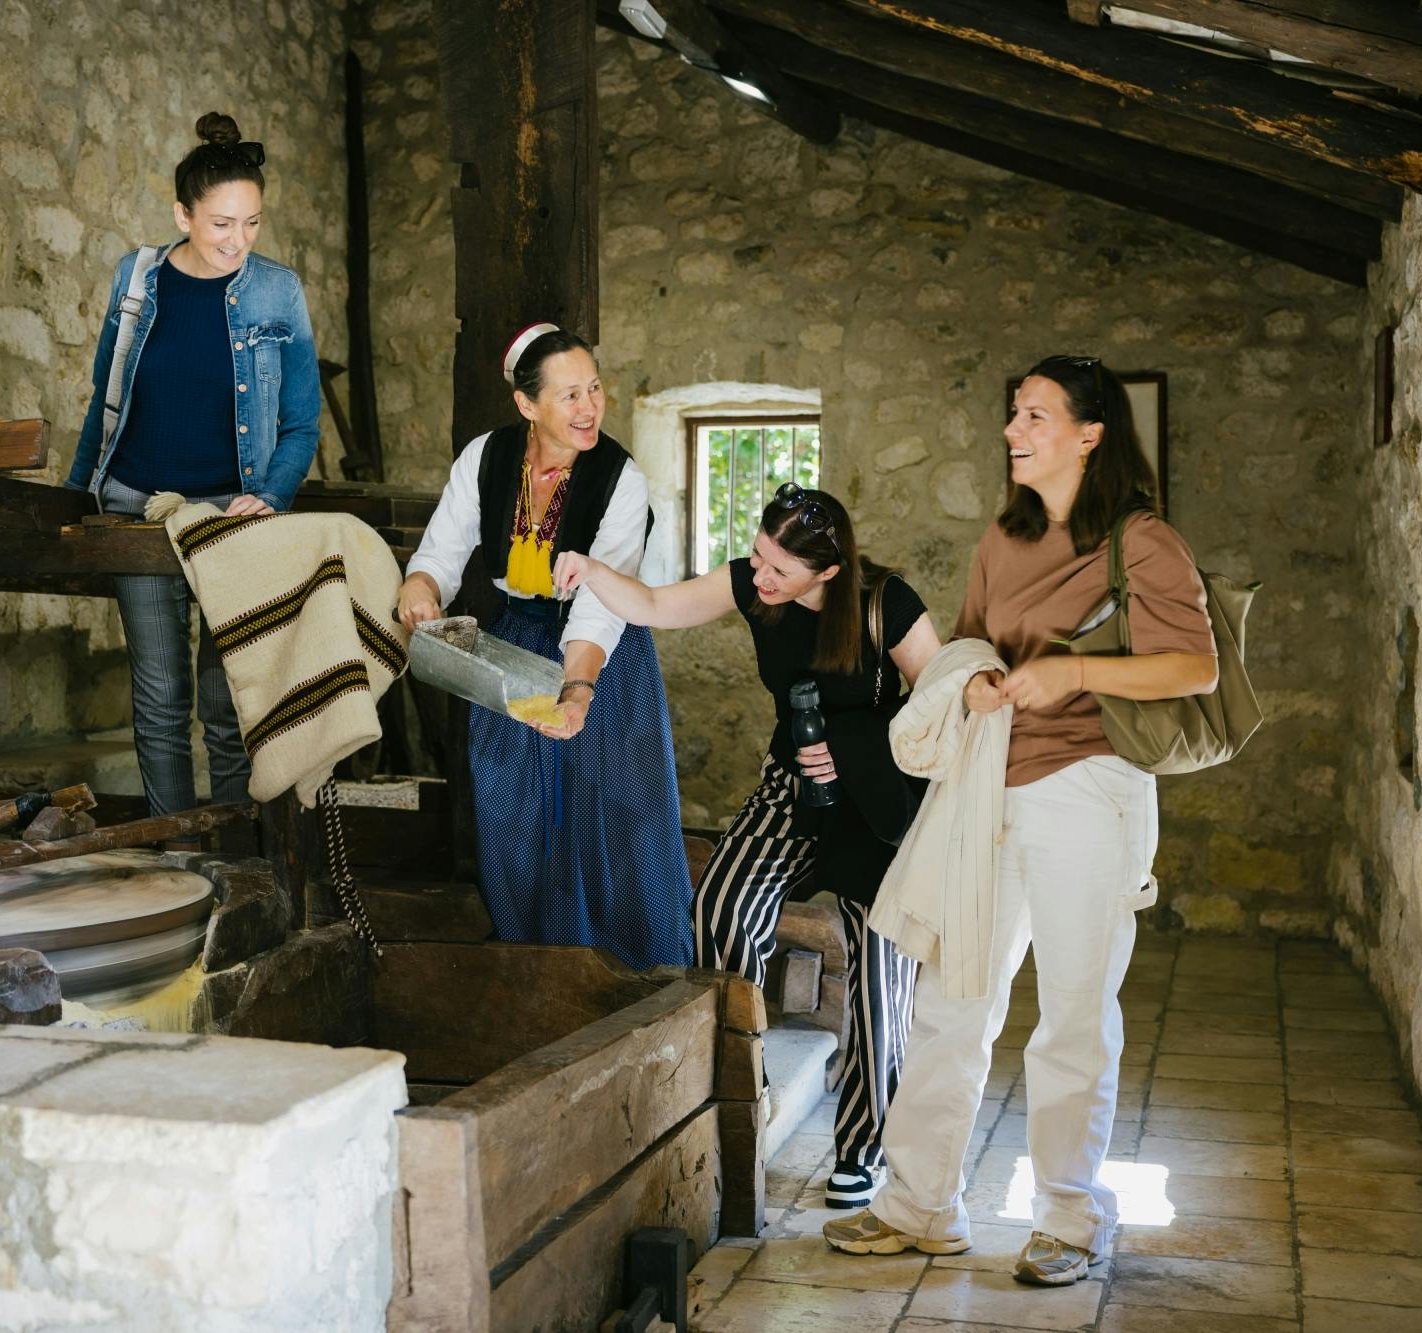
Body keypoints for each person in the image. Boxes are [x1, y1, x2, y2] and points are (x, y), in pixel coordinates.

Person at [825, 355, 1218, 1287]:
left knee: (1074, 1017)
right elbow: (969, 645)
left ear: (1091, 434)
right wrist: (979, 679)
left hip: (1094, 790)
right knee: (951, 1001)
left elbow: (1193, 666)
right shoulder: (1000, 540)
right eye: (1013, 414)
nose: (1013, 430)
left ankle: (1067, 1221)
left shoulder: (1142, 541)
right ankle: (919, 1204)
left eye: (1035, 416)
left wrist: (1076, 672)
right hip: (991, 792)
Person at [556, 485, 941, 1208]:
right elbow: (659, 606)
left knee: (879, 971)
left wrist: (859, 752)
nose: (760, 578)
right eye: (758, 557)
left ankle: (864, 1146)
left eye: (779, 571)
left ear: (827, 572)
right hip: (788, 788)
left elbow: (942, 698)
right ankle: (742, 1091)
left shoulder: (887, 604)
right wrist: (591, 570)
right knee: (723, 908)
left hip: (877, 805)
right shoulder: (752, 585)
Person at [397, 324, 692, 970]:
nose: (589, 407)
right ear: (527, 405)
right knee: (512, 808)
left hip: (604, 660)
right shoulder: (488, 458)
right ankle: (535, 968)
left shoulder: (621, 479)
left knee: (615, 818)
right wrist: (420, 589)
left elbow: (601, 605)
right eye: (569, 396)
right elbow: (443, 549)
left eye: (594, 389)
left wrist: (579, 688)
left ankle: (642, 978)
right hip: (514, 647)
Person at [65, 111, 322, 822]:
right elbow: (106, 399)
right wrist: (74, 494)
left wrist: (271, 495)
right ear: (183, 213)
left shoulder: (279, 292)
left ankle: (234, 854)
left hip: (235, 518)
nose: (237, 241)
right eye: (220, 224)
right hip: (137, 511)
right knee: (158, 696)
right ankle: (171, 854)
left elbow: (302, 422)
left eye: (252, 224)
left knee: (227, 698)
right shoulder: (137, 278)